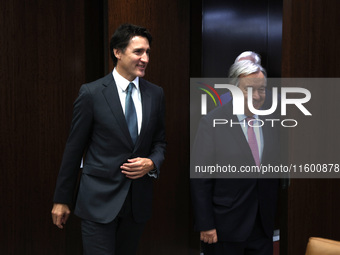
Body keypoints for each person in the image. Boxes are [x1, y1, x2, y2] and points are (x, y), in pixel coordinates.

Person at [51, 23, 166, 255]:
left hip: (136, 204)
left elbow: (160, 142)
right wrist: (62, 199)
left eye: (148, 52)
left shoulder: (156, 93)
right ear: (117, 52)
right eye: (138, 52)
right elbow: (74, 150)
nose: (145, 58)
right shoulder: (91, 93)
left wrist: (152, 163)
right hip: (98, 202)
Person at [190, 60, 280, 255]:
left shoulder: (271, 123)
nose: (257, 96)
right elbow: (200, 179)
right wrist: (205, 224)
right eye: (249, 90)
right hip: (225, 228)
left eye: (262, 90)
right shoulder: (211, 122)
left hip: (262, 227)